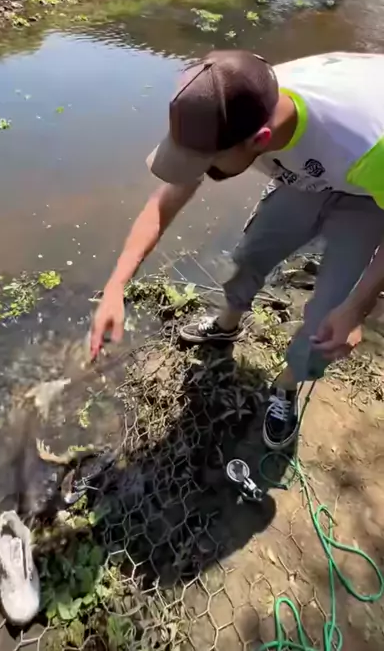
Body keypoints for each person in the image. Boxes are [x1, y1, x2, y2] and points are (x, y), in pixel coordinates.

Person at [90, 50, 384, 450]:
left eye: (207, 164)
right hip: (310, 174)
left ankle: (286, 386)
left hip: (369, 187)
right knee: (250, 256)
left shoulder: (364, 142)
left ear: (261, 140)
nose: (198, 173)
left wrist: (357, 309)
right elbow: (164, 202)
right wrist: (116, 284)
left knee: (330, 319)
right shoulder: (236, 97)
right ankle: (227, 323)